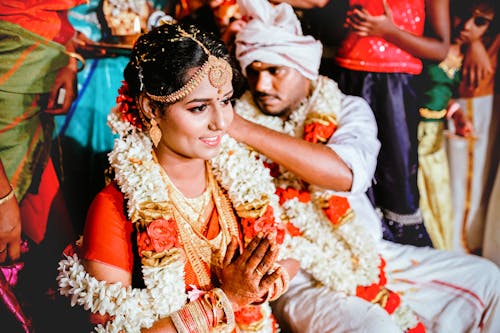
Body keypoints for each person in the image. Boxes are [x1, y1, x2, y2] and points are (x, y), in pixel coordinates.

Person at [227, 0, 500, 332]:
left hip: (369, 254)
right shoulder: (231, 125)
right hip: (299, 277)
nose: (261, 86)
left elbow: (345, 174)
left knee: (488, 279)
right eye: (252, 71)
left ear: (304, 67)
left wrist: (242, 128)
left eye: (274, 70)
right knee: (377, 327)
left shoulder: (345, 109)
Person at [57, 21, 290, 333]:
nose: (221, 122)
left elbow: (287, 256)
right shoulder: (114, 208)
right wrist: (227, 300)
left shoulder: (239, 181)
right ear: (152, 108)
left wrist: (267, 284)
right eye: (198, 108)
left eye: (225, 101)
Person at [329, 0, 452, 247]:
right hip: (348, 78)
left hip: (396, 87)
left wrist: (388, 31)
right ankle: (361, 250)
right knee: (353, 165)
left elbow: (440, 49)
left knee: (396, 170)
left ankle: (403, 252)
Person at [0, 1, 86, 332]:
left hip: (30, 135)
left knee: (55, 262)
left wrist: (67, 59)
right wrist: (3, 199)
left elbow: (51, 18)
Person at [445, 0, 500, 257]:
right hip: (453, 112)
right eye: (464, 16)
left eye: (479, 22)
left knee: (473, 181)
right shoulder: (449, 34)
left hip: (480, 109)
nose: (467, 26)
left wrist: (477, 43)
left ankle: (466, 245)